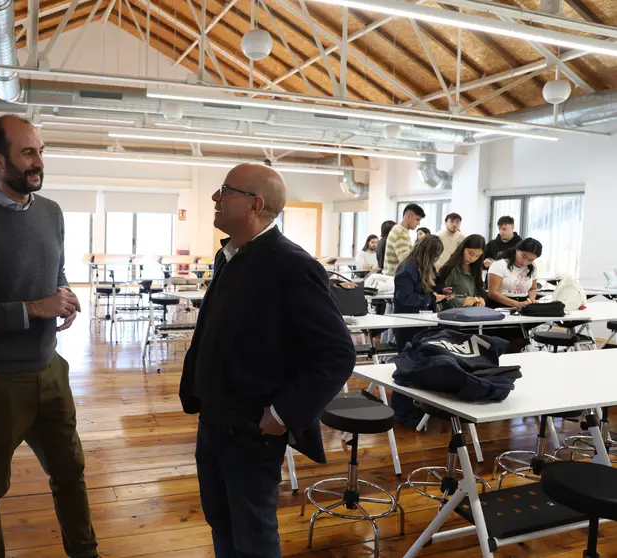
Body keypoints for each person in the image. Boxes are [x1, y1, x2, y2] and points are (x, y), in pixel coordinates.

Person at [179, 163, 356, 558]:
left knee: (253, 535)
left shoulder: (291, 264)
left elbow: (337, 353)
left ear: (254, 204)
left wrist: (282, 413)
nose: (215, 197)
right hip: (213, 418)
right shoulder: (230, 255)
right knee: (221, 520)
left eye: (225, 190)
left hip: (251, 429)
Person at [0, 116, 98, 558]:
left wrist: (63, 294)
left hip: (51, 371)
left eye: (41, 151)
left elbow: (57, 267)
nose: (39, 162)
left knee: (71, 474)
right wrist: (34, 309)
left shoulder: (51, 212)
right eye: (28, 153)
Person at [392, 235, 450, 351]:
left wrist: (441, 291)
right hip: (408, 323)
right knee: (409, 357)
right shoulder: (406, 270)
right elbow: (405, 298)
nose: (436, 259)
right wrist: (432, 299)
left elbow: (431, 286)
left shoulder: (427, 266)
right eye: (434, 256)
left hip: (425, 320)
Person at [487, 237, 542, 309]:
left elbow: (533, 289)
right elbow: (493, 293)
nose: (525, 262)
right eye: (523, 256)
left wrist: (531, 299)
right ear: (517, 249)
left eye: (530, 260)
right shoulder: (500, 264)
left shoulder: (532, 267)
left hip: (522, 306)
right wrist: (516, 304)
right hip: (499, 306)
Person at [438, 234, 487, 309]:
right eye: (470, 253)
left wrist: (480, 300)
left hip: (471, 314)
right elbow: (440, 296)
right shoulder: (450, 269)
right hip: (452, 315)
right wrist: (461, 301)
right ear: (463, 248)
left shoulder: (475, 270)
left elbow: (478, 291)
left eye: (477, 256)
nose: (472, 258)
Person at [383, 203, 425, 276]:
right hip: (394, 279)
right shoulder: (400, 233)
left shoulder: (402, 231)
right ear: (408, 217)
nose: (418, 223)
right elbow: (406, 260)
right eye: (417, 219)